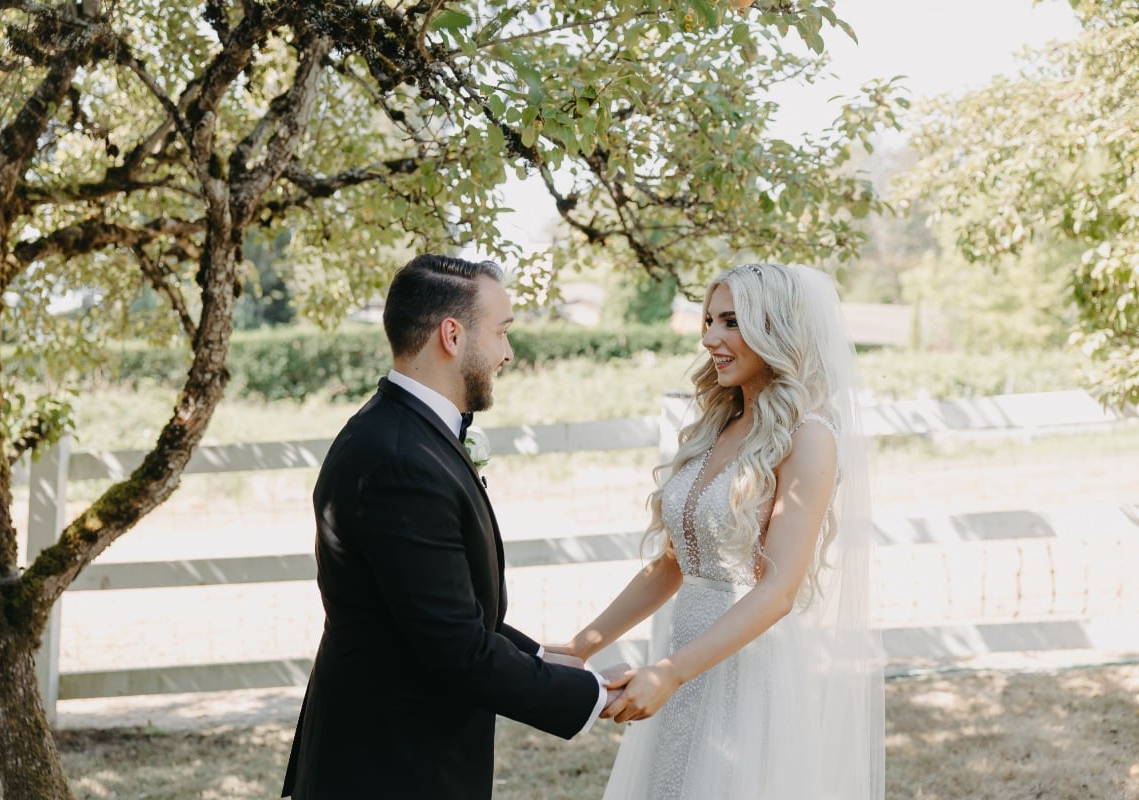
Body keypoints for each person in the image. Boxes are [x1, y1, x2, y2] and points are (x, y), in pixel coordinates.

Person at [282, 254, 618, 800]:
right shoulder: (398, 460)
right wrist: (593, 695)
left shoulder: (404, 432)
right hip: (388, 766)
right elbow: (454, 646)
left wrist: (543, 658)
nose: (507, 353)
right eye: (502, 332)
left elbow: (436, 608)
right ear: (453, 335)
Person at [548, 263, 885, 799]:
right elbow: (673, 563)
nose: (709, 338)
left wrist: (671, 672)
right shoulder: (717, 425)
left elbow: (778, 592)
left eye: (730, 322)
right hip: (681, 658)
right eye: (709, 321)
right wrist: (578, 647)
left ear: (776, 328)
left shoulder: (809, 437)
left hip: (746, 667)